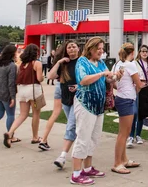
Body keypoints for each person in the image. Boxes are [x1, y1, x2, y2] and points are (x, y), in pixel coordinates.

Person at [70, 36, 119, 185]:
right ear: (90, 48)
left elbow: (107, 80)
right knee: (83, 137)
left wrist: (115, 77)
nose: (101, 52)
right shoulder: (82, 62)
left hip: (98, 105)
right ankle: (76, 173)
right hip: (85, 104)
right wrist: (102, 74)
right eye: (98, 49)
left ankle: (88, 167)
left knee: (94, 137)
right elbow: (83, 80)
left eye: (102, 49)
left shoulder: (101, 63)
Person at [111, 43, 143, 174]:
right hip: (127, 100)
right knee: (123, 133)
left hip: (121, 97)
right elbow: (139, 83)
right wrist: (134, 90)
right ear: (133, 52)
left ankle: (124, 159)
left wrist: (122, 89)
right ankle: (117, 163)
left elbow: (113, 83)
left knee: (125, 131)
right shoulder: (130, 64)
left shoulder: (117, 64)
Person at [4, 44, 44, 147]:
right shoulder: (37, 63)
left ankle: (10, 133)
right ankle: (35, 137)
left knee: (23, 114)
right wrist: (43, 76)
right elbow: (39, 79)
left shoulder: (21, 64)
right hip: (34, 90)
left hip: (22, 90)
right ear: (36, 52)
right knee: (36, 114)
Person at [49, 40, 80, 169]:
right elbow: (50, 76)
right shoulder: (64, 64)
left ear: (78, 49)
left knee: (71, 126)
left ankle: (62, 156)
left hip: (78, 99)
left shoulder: (82, 62)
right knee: (74, 126)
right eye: (69, 47)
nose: (71, 49)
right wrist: (58, 62)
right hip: (66, 99)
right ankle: (81, 148)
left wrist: (79, 86)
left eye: (74, 46)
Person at [39, 43, 73, 152]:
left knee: (55, 113)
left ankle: (44, 139)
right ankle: (69, 142)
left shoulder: (59, 59)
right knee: (72, 118)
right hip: (66, 86)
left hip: (59, 85)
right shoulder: (68, 60)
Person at [130, 44, 148, 146]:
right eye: (142, 51)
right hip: (136, 88)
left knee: (142, 113)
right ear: (139, 52)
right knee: (134, 113)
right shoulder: (135, 63)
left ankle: (138, 135)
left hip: (146, 89)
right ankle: (130, 136)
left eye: (146, 51)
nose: (144, 53)